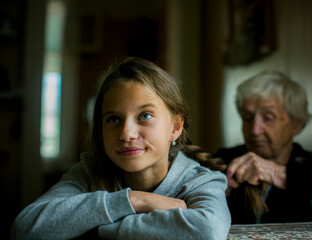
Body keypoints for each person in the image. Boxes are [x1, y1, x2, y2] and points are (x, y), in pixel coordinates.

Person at [12, 57, 231, 239]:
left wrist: (98, 229)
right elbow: (25, 228)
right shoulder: (89, 172)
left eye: (145, 116)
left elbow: (208, 230)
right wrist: (135, 200)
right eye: (114, 119)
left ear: (175, 127)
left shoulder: (199, 182)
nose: (127, 134)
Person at [215, 70, 312, 224]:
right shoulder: (224, 161)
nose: (254, 130)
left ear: (297, 124)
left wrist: (280, 175)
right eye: (248, 117)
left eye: (268, 118)